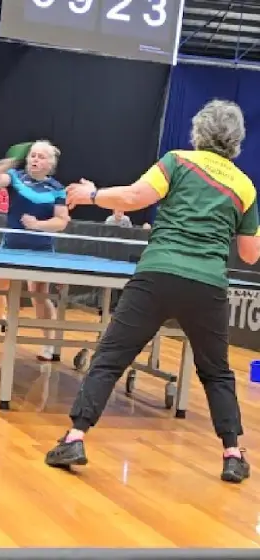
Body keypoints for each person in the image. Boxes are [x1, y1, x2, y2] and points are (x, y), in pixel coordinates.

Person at [45, 99, 260, 484]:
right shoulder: (245, 186)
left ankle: (75, 437)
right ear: (237, 140)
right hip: (208, 285)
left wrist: (92, 194)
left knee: (110, 358)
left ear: (199, 130)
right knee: (217, 373)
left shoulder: (177, 161)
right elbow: (250, 253)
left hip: (158, 274)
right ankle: (231, 453)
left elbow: (133, 199)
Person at [0, 140, 70, 361]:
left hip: (41, 249)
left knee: (39, 294)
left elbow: (61, 221)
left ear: (50, 163)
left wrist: (38, 225)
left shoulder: (57, 189)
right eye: (32, 155)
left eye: (41, 156)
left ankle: (48, 344)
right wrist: (2, 166)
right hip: (11, 245)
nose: (35, 159)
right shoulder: (15, 177)